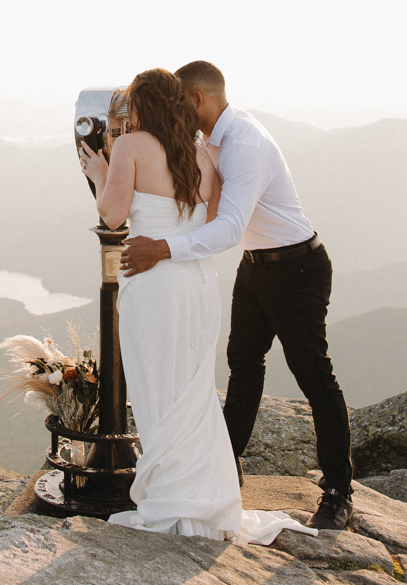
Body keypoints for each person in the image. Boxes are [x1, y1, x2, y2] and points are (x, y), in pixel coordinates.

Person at [80, 68, 314, 544]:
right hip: (199, 285)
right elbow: (210, 222)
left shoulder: (130, 146)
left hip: (155, 283)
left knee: (157, 390)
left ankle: (171, 500)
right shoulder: (204, 156)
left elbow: (113, 214)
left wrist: (101, 171)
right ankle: (201, 500)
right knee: (192, 393)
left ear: (142, 106)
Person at [118, 61, 355, 531]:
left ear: (197, 101)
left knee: (314, 376)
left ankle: (338, 493)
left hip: (297, 268)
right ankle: (220, 474)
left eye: (176, 103)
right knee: (244, 366)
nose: (172, 113)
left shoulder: (245, 144)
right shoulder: (207, 143)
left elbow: (226, 228)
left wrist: (162, 248)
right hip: (257, 265)